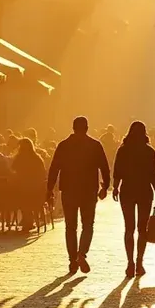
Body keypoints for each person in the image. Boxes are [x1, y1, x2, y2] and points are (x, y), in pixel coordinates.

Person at [47, 116, 111, 275]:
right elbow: (104, 167)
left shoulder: (64, 145)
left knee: (70, 226)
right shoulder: (95, 145)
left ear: (73, 128)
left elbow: (54, 168)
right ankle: (82, 253)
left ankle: (72, 261)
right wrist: (105, 186)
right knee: (88, 225)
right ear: (87, 128)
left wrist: (49, 189)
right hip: (89, 190)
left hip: (69, 190)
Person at [112, 121, 155, 278]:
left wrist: (115, 187)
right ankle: (139, 262)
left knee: (129, 228)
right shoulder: (149, 151)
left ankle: (130, 263)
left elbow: (117, 171)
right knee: (142, 229)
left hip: (127, 190)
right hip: (145, 191)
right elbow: (153, 174)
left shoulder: (123, 150)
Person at [12, 137, 48, 231]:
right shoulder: (37, 158)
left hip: (26, 189)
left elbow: (13, 168)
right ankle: (28, 219)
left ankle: (27, 220)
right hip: (38, 190)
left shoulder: (20, 158)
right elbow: (43, 173)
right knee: (24, 197)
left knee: (18, 197)